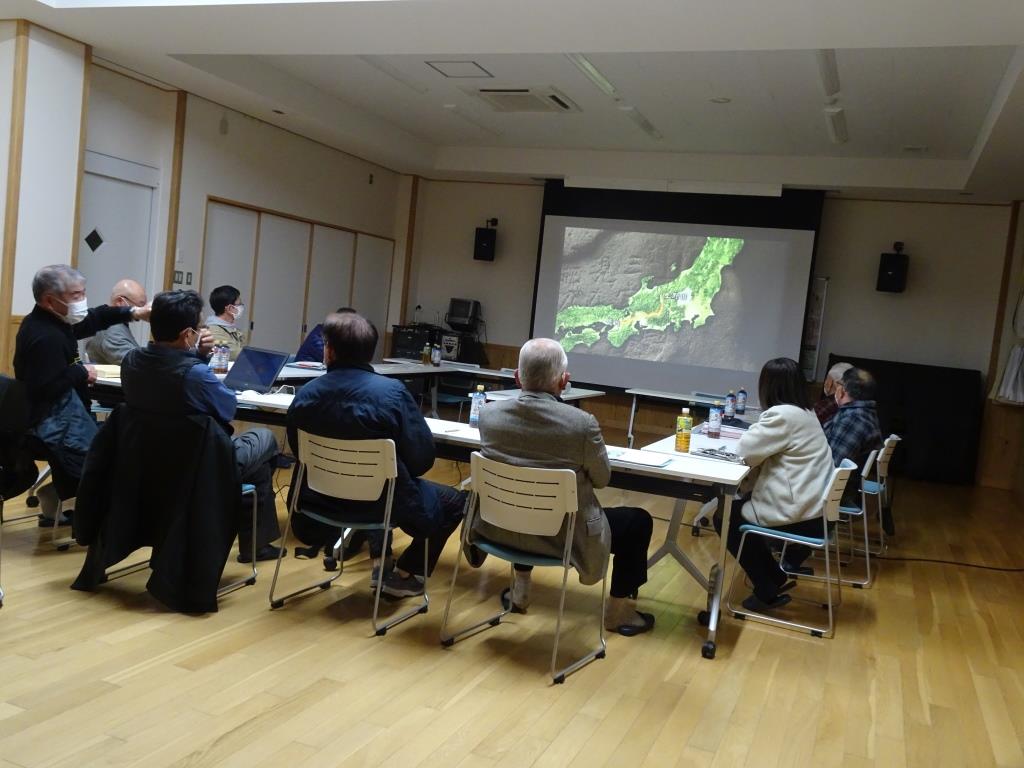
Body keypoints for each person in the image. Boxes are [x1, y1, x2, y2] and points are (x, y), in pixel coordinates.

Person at [474, 338, 655, 636]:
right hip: (563, 536)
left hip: (501, 528)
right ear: (564, 381)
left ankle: (520, 591)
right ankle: (618, 613)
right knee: (638, 522)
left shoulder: (488, 415)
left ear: (517, 378)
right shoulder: (582, 425)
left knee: (524, 497)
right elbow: (602, 479)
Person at [286, 311, 466, 598]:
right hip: (382, 506)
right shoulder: (392, 394)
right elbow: (421, 460)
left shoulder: (305, 395)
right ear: (370, 353)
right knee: (454, 501)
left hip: (318, 505)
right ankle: (405, 574)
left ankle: (382, 560)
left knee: (386, 482)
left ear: (329, 351)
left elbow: (299, 452)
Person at [120, 290, 285, 562]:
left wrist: (195, 355)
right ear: (188, 335)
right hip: (201, 466)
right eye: (198, 328)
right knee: (264, 439)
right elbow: (228, 409)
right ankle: (251, 542)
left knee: (257, 465)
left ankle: (252, 541)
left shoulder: (131, 361)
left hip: (145, 460)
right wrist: (199, 358)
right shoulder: (196, 374)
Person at [13, 265, 150, 525]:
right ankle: (93, 520)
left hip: (66, 412)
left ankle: (60, 498)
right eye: (76, 295)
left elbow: (95, 317)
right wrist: (80, 372)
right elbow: (46, 388)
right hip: (50, 422)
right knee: (112, 453)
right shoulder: (45, 336)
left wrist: (134, 312)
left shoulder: (55, 321)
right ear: (49, 300)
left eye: (83, 293)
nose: (82, 300)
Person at [714, 357, 835, 612]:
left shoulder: (782, 415)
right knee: (738, 509)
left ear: (768, 387)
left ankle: (766, 587)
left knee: (725, 516)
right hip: (816, 510)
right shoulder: (806, 412)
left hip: (800, 512)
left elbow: (745, 451)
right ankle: (773, 577)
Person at [824, 367, 883, 505]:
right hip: (844, 489)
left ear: (843, 390)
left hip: (834, 493)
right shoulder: (863, 413)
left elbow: (832, 466)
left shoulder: (852, 420)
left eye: (839, 384)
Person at [85, 279, 148, 364]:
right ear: (119, 301)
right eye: (141, 305)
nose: (144, 309)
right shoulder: (111, 329)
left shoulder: (113, 323)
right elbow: (137, 364)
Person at [205, 285, 246, 361]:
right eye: (239, 304)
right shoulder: (213, 331)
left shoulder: (232, 328)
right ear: (230, 308)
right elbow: (237, 355)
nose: (242, 306)